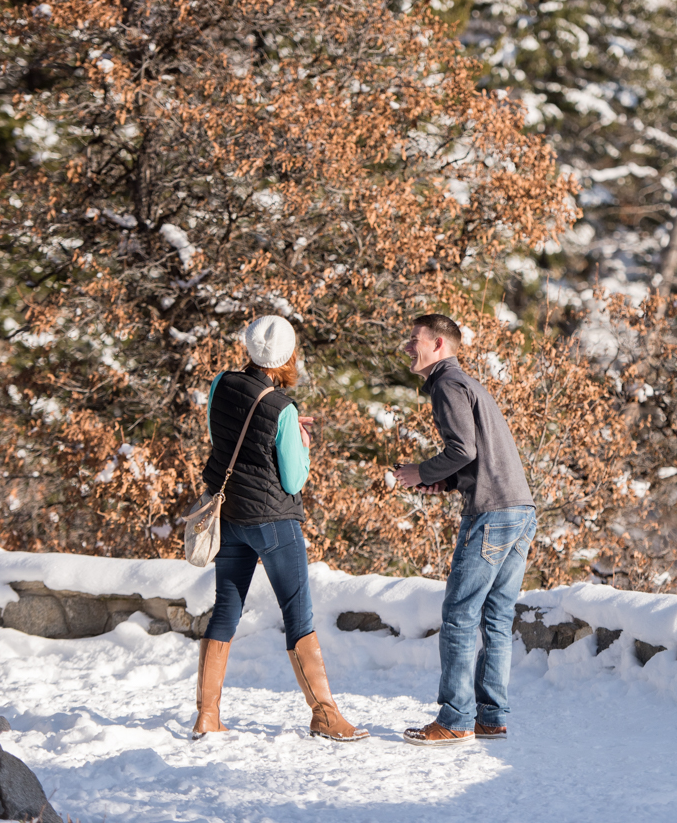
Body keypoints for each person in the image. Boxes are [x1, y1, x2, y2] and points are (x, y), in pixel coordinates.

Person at [193, 315, 367, 742]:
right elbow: (293, 480)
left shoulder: (221, 383)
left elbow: (227, 435)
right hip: (273, 523)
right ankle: (324, 714)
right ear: (288, 356)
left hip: (229, 517)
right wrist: (300, 444)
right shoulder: (283, 408)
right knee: (298, 615)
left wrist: (281, 431)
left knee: (225, 612)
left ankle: (207, 715)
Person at [395, 313, 538, 746]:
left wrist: (421, 471)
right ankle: (491, 718)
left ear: (439, 344)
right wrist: (448, 479)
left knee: (459, 616)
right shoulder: (469, 384)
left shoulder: (447, 384)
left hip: (491, 513)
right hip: (519, 509)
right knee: (495, 618)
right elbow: (476, 458)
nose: (407, 347)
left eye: (414, 339)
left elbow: (462, 449)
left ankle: (455, 718)